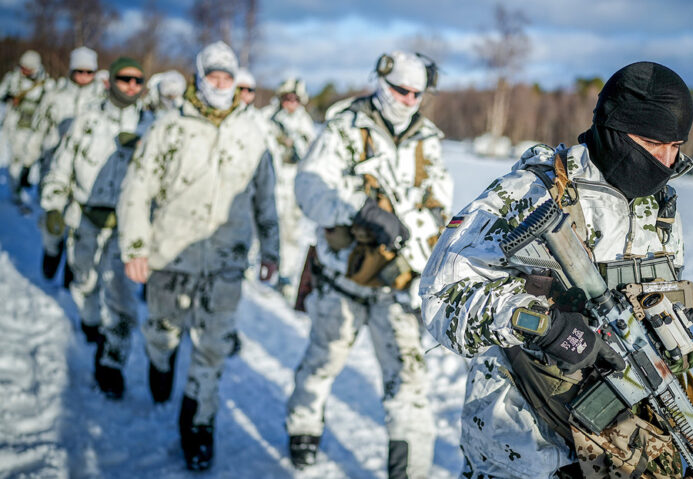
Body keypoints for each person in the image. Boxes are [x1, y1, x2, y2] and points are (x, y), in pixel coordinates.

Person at [419, 61, 693, 478]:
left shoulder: (660, 211)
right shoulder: (530, 193)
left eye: (675, 146)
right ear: (614, 129)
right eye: (652, 144)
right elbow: (442, 298)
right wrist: (547, 327)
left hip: (618, 445)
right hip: (523, 444)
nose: (665, 161)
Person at [285, 51, 452, 479]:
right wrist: (360, 210)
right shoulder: (345, 127)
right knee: (321, 364)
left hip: (398, 284)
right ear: (381, 82)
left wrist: (417, 232)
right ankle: (303, 428)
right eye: (401, 90)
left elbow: (440, 203)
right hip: (342, 280)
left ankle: (407, 470)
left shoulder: (428, 139)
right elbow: (308, 187)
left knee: (409, 385)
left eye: (417, 93)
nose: (409, 100)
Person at [117, 41, 279, 471]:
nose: (221, 83)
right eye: (213, 75)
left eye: (227, 76)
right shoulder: (169, 127)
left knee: (212, 351)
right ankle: (160, 361)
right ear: (199, 77)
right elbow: (136, 188)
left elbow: (266, 197)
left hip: (226, 263)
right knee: (162, 333)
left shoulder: (252, 131)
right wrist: (135, 247)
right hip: (170, 258)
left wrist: (272, 248)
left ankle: (198, 425)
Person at [41, 57, 151, 395]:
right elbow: (62, 165)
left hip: (126, 229)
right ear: (110, 81)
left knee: (120, 298)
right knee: (84, 281)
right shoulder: (88, 120)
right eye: (124, 79)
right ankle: (90, 322)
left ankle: (111, 362)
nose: (131, 86)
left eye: (137, 80)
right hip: (86, 219)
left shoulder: (152, 126)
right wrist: (53, 205)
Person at [27, 46, 104, 280]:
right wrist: (30, 159)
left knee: (79, 227)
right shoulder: (56, 97)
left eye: (89, 72)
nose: (84, 77)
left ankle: (71, 272)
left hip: (85, 174)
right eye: (79, 71)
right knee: (52, 223)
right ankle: (51, 252)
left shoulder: (101, 100)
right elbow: (39, 130)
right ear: (72, 71)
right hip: (54, 168)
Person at [263, 77, 317, 294]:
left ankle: (285, 274)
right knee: (268, 225)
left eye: (295, 99)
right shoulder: (269, 118)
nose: (291, 103)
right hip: (272, 182)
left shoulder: (304, 122)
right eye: (287, 98)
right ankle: (263, 262)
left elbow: (310, 152)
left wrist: (295, 142)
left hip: (293, 184)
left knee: (292, 232)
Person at [0, 50, 54, 206]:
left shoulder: (45, 82)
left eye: (28, 69)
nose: (24, 71)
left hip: (36, 127)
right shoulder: (13, 79)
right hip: (16, 125)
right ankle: (16, 189)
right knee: (16, 158)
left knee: (32, 156)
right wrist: (10, 97)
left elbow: (51, 102)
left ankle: (25, 176)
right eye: (22, 67)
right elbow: (2, 94)